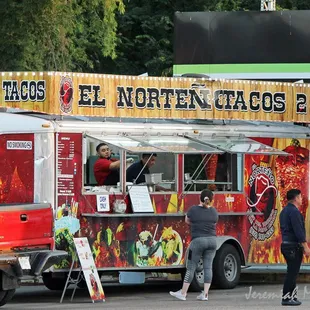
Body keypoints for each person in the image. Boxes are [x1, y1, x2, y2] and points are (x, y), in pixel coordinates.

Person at [169, 189, 218, 301]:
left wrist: (196, 224)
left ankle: (183, 293)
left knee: (191, 267)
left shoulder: (193, 210)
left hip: (198, 241)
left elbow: (187, 220)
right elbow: (214, 223)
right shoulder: (214, 211)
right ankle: (205, 294)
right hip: (212, 241)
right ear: (211, 200)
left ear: (199, 198)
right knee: (208, 267)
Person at [279, 189, 310, 306]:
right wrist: (305, 247)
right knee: (292, 273)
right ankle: (286, 298)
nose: (302, 199)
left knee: (292, 271)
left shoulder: (284, 211)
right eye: (300, 197)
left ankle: (292, 297)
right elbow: (298, 231)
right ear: (296, 198)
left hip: (286, 245)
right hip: (293, 246)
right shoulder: (294, 212)